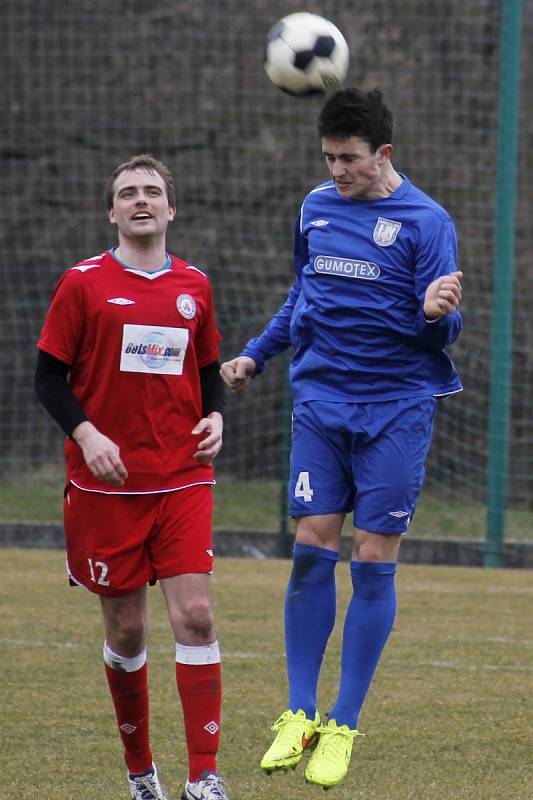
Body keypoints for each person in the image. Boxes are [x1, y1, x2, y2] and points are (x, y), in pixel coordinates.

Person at [220, 87, 463, 789]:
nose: (337, 171)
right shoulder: (315, 208)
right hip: (320, 401)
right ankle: (296, 713)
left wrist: (433, 312)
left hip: (396, 406)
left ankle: (342, 722)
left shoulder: (425, 221)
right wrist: (255, 354)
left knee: (369, 555)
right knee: (309, 547)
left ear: (382, 154)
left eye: (349, 159)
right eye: (327, 157)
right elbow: (303, 294)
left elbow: (440, 328)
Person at [35, 154, 231, 800]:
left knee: (196, 616)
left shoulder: (194, 286)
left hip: (180, 475)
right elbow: (48, 377)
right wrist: (86, 435)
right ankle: (140, 772)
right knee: (126, 631)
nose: (140, 200)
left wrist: (215, 418)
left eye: (152, 192)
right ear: (112, 211)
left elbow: (206, 370)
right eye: (128, 193)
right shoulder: (83, 284)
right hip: (105, 486)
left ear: (171, 209)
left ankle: (204, 776)